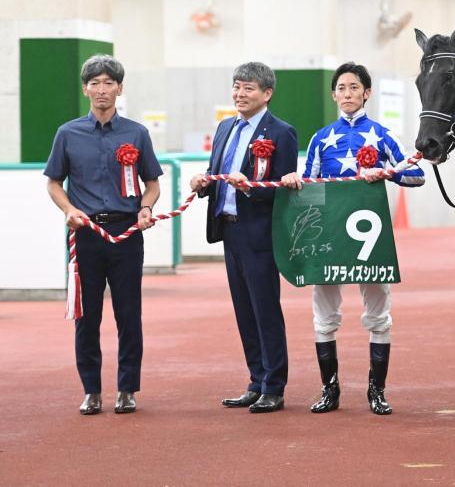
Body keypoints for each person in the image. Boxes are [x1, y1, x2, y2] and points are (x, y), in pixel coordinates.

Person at [281, 61, 424, 415]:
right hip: (327, 237)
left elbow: (417, 174)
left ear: (367, 93)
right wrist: (295, 182)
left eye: (354, 88)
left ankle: (377, 391)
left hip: (369, 240)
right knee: (324, 314)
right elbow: (309, 188)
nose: (347, 94)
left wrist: (387, 173)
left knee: (378, 313)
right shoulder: (320, 137)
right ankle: (330, 390)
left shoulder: (383, 135)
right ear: (334, 95)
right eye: (341, 88)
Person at [45, 54, 162, 416]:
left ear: (119, 88)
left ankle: (127, 389)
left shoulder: (136, 133)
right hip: (86, 234)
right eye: (94, 83)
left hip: (127, 232)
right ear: (85, 89)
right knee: (87, 316)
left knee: (129, 314)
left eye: (108, 83)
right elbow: (53, 182)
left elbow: (152, 183)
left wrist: (145, 208)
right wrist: (69, 209)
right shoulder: (68, 133)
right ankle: (91, 390)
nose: (101, 90)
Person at [190, 62, 298, 413]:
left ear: (267, 93)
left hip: (260, 232)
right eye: (236, 87)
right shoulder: (225, 127)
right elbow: (215, 171)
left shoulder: (281, 132)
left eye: (248, 88)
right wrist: (204, 183)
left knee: (265, 308)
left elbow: (283, 188)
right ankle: (255, 381)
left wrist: (250, 188)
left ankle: (274, 386)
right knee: (244, 310)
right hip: (229, 230)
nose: (239, 94)